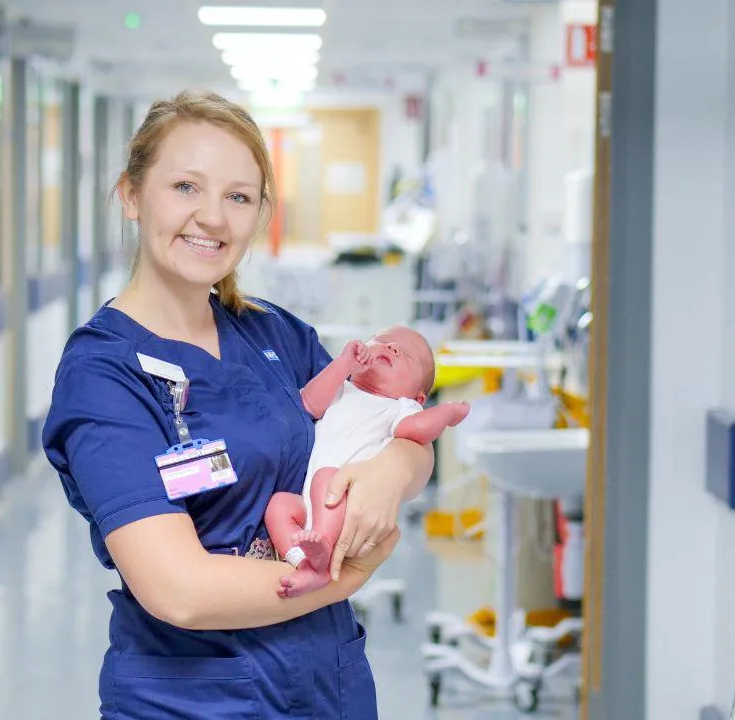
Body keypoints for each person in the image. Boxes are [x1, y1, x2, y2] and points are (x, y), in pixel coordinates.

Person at [41, 89, 446, 720]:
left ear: (260, 213)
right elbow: (180, 591)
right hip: (193, 699)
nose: (212, 218)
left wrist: (396, 466)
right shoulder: (104, 374)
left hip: (325, 687)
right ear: (131, 194)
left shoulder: (274, 335)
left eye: (238, 197)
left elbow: (393, 427)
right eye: (185, 186)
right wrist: (349, 577)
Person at [265, 326, 470, 599]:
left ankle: (322, 550)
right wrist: (344, 364)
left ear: (418, 397)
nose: (391, 347)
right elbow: (309, 402)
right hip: (307, 502)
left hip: (346, 497)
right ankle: (302, 561)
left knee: (327, 478)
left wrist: (446, 413)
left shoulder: (400, 407)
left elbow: (417, 430)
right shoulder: (342, 388)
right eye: (382, 341)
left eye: (405, 354)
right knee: (279, 505)